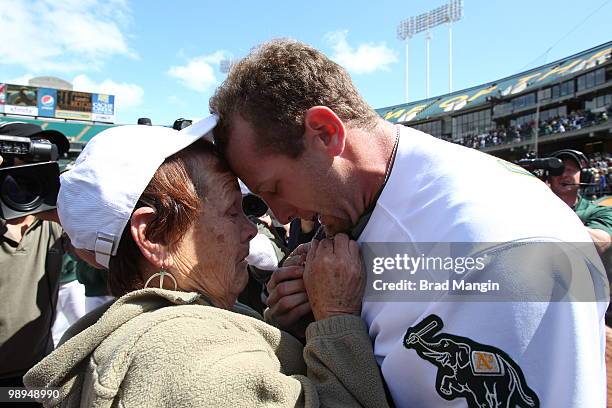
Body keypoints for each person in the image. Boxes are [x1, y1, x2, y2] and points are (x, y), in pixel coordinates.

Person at [209, 39, 607, 407]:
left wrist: (335, 317)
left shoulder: (485, 243)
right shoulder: (387, 207)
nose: (280, 215)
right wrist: (309, 324)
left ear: (326, 133)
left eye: (275, 187)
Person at [24, 119, 388, 407]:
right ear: (152, 235)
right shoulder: (184, 364)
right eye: (232, 210)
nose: (250, 229)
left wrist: (285, 330)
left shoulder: (169, 329)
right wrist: (336, 317)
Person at [0, 124, 69, 400]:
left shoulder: (53, 224)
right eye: (25, 159)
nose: (33, 171)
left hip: (32, 375)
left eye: (41, 161)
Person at [548, 149, 612, 255]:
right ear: (549, 178)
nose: (564, 175)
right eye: (558, 170)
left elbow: (600, 244)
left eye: (569, 170)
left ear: (583, 176)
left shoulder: (601, 212)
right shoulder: (534, 208)